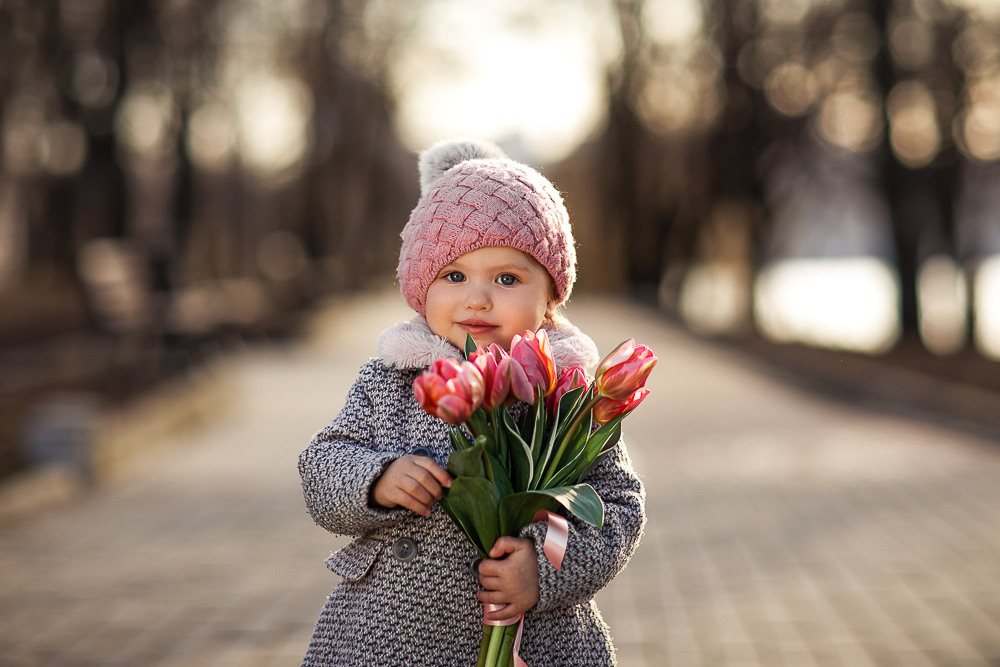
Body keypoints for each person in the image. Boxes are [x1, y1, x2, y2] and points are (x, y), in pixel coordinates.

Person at [298, 138, 646, 666]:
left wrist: (545, 565)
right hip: (385, 637)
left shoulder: (566, 398)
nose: (477, 298)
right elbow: (322, 464)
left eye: (507, 278)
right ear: (420, 288)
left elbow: (617, 506)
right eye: (453, 276)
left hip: (533, 636)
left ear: (550, 298)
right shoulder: (392, 380)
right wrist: (377, 477)